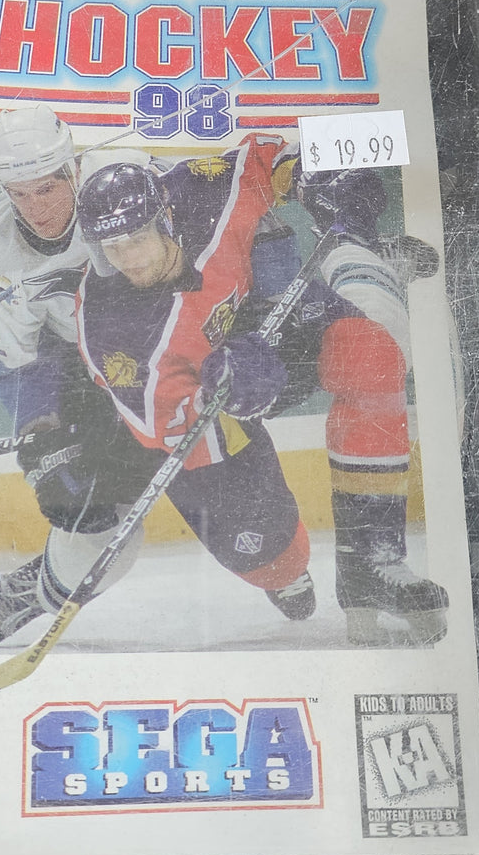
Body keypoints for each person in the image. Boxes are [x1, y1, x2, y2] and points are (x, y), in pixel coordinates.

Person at [75, 139, 448, 646]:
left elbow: (278, 155)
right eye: (111, 247)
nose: (128, 260)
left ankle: (372, 563)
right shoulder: (108, 330)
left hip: (277, 317)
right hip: (213, 401)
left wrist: (320, 172)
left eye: (137, 238)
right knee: (275, 561)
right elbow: (168, 430)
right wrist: (235, 394)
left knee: (373, 353)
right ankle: (283, 575)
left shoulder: (202, 189)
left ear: (166, 217)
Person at [0, 104, 152, 647]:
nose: (36, 209)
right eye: (18, 193)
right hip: (83, 366)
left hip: (179, 341)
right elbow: (18, 359)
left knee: (267, 555)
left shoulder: (136, 180)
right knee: (96, 523)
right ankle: (36, 592)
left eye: (47, 188)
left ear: (74, 168)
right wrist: (42, 435)